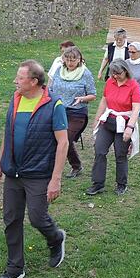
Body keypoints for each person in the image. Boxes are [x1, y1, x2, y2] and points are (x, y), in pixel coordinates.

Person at [0, 60, 69, 278]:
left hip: (38, 173)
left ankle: (56, 238)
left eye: (20, 78)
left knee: (37, 217)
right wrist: (0, 164)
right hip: (13, 172)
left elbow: (63, 143)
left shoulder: (53, 105)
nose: (15, 81)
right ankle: (15, 268)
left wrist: (56, 178)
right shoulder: (15, 100)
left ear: (34, 81)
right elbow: (8, 133)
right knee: (11, 219)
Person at [86, 59, 140, 196]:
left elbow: (136, 108)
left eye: (118, 73)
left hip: (124, 123)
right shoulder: (110, 82)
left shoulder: (133, 85)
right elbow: (104, 100)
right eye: (113, 73)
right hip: (109, 121)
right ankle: (98, 183)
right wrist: (96, 119)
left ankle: (121, 184)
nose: (115, 76)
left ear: (126, 71)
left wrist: (130, 127)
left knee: (120, 155)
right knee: (99, 150)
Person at [49, 46, 97, 179]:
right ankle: (49, 165)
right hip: (59, 111)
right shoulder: (59, 70)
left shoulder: (85, 73)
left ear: (79, 60)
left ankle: (76, 166)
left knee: (66, 139)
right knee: (53, 138)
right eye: (67, 59)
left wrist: (82, 98)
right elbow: (51, 88)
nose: (70, 63)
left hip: (77, 113)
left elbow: (93, 95)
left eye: (73, 60)